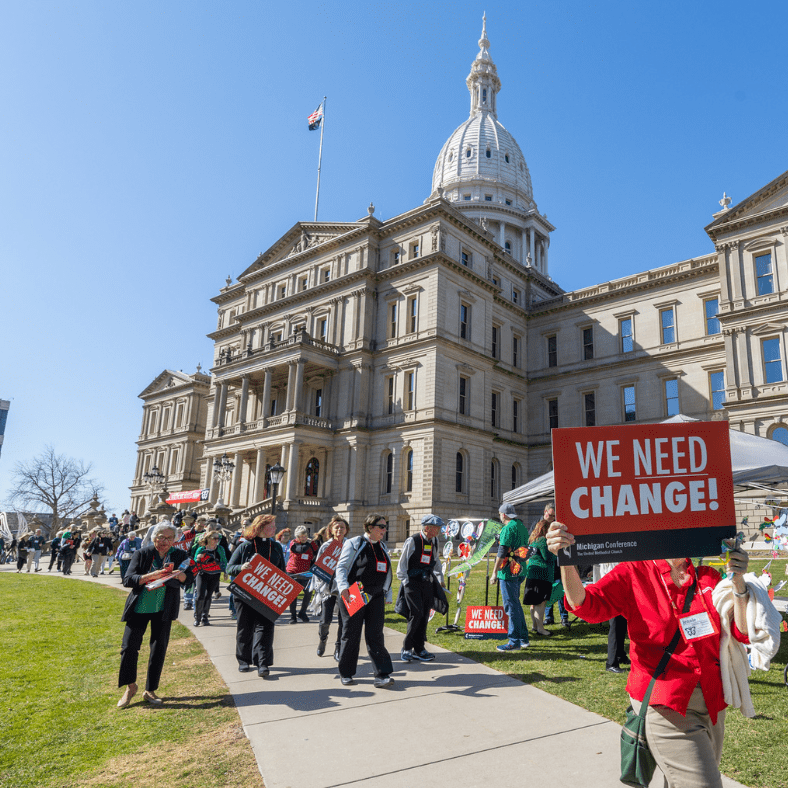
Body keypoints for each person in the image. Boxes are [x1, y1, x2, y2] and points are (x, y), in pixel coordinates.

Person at [546, 520, 752, 788]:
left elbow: (741, 632)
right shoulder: (634, 572)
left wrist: (738, 581)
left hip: (712, 704)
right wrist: (566, 559)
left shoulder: (708, 577)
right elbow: (585, 605)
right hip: (666, 704)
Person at [117, 522, 192, 708]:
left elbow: (189, 579)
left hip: (163, 609)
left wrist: (178, 575)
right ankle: (130, 687)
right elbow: (128, 579)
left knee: (158, 649)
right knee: (128, 648)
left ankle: (150, 690)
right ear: (154, 538)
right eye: (161, 537)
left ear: (174, 540)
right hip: (140, 607)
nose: (164, 541)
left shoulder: (180, 555)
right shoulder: (142, 553)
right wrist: (153, 575)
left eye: (169, 538)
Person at [335, 514, 395, 688]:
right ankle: (346, 672)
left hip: (376, 596)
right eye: (381, 526)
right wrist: (343, 587)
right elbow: (342, 567)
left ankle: (382, 674)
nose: (385, 530)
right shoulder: (355, 543)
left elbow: (386, 572)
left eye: (385, 526)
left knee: (375, 634)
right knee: (351, 633)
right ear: (370, 528)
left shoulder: (382, 546)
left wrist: (387, 594)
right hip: (354, 593)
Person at [226, 514, 285, 677]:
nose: (274, 529)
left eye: (274, 526)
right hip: (245, 594)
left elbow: (283, 571)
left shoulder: (277, 547)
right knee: (245, 627)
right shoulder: (246, 546)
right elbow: (229, 568)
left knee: (265, 628)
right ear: (260, 527)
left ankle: (262, 662)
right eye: (271, 526)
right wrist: (241, 567)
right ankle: (243, 660)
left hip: (267, 594)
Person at [396, 513, 444, 663]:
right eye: (436, 528)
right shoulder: (413, 540)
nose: (439, 531)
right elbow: (402, 564)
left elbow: (435, 561)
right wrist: (406, 582)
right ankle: (406, 648)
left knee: (424, 615)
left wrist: (440, 578)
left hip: (427, 582)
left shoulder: (434, 540)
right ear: (427, 528)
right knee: (415, 614)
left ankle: (419, 649)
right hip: (412, 582)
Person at [490, 502, 530, 651]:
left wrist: (494, 572)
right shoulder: (521, 526)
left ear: (504, 514)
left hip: (508, 571)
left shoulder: (507, 528)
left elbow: (501, 553)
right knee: (516, 605)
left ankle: (514, 641)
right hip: (520, 570)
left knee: (511, 606)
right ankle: (523, 638)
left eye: (500, 514)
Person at [313, 516, 349, 659]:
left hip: (344, 588)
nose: (339, 529)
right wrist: (319, 587)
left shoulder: (350, 545)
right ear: (331, 530)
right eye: (336, 527)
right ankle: (322, 639)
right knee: (325, 620)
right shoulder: (326, 546)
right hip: (327, 588)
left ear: (346, 530)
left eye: (342, 527)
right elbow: (318, 568)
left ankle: (338, 647)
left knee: (343, 620)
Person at [522, 518, 557, 637]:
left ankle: (535, 625)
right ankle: (541, 629)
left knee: (534, 603)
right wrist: (556, 552)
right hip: (542, 575)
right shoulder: (542, 540)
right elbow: (548, 557)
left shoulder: (533, 540)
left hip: (533, 575)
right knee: (540, 603)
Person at [539, 503, 570, 628]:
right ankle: (549, 617)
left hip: (557, 563)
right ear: (545, 512)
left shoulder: (557, 525)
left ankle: (564, 617)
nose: (552, 517)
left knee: (561, 590)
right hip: (545, 565)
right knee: (548, 591)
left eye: (553, 516)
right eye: (550, 515)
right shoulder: (538, 525)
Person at [192, 530, 227, 626]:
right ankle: (197, 617)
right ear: (208, 539)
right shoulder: (201, 549)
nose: (217, 540)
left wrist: (225, 571)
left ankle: (205, 617)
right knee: (200, 596)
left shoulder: (220, 548)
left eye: (218, 538)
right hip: (202, 574)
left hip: (215, 574)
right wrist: (199, 558)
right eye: (214, 538)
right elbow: (195, 561)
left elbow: (224, 560)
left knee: (208, 596)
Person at [286, 526, 319, 623]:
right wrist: (309, 542)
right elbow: (301, 549)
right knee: (293, 595)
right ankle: (293, 616)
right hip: (293, 572)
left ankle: (302, 612)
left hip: (306, 572)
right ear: (297, 537)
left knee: (308, 593)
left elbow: (317, 552)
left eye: (305, 536)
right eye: (301, 536)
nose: (304, 538)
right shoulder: (293, 543)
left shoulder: (310, 543)